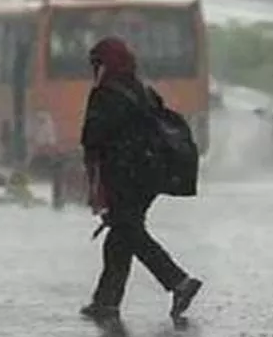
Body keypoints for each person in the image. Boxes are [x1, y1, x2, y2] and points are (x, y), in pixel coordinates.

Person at [79, 36, 203, 321]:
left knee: (129, 231)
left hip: (123, 176)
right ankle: (106, 301)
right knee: (121, 235)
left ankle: (178, 282)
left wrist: (93, 180)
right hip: (149, 176)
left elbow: (92, 138)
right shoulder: (142, 90)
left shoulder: (105, 94)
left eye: (96, 63)